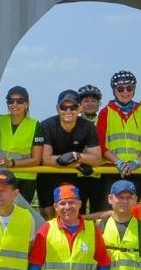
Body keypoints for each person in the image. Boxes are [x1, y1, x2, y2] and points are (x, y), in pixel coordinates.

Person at [36, 90, 102, 219]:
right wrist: (76, 163)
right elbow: (46, 159)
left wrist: (76, 155)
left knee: (71, 216)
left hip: (74, 178)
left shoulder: (88, 127)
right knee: (48, 219)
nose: (68, 111)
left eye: (73, 107)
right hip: (47, 176)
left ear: (80, 108)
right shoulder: (46, 125)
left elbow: (96, 158)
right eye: (63, 107)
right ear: (57, 109)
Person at [98, 70, 141, 197]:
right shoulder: (105, 112)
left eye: (129, 88)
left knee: (139, 210)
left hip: (139, 170)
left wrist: (137, 162)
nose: (125, 92)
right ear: (114, 90)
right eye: (120, 89)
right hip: (111, 170)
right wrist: (118, 162)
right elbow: (99, 143)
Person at [0, 85, 43, 207]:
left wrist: (11, 163)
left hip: (25, 179)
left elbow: (36, 159)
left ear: (27, 104)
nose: (14, 104)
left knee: (21, 214)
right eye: (11, 101)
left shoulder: (35, 125)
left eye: (19, 101)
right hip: (2, 176)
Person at [72, 84, 108, 214]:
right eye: (86, 100)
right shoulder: (72, 122)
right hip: (77, 174)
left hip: (99, 175)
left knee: (99, 212)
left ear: (99, 104)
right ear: (79, 104)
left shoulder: (105, 121)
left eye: (94, 100)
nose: (90, 104)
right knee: (77, 212)